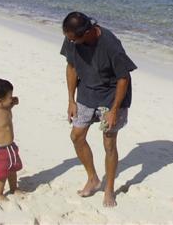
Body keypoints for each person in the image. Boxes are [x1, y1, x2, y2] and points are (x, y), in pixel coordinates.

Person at [60, 11, 137, 208]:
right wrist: (71, 100)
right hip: (86, 92)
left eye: (73, 39)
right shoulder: (72, 37)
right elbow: (71, 67)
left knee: (109, 143)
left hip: (111, 97)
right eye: (68, 38)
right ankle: (93, 178)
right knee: (76, 136)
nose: (70, 42)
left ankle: (109, 188)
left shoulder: (111, 45)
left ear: (87, 32)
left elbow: (123, 78)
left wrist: (114, 110)